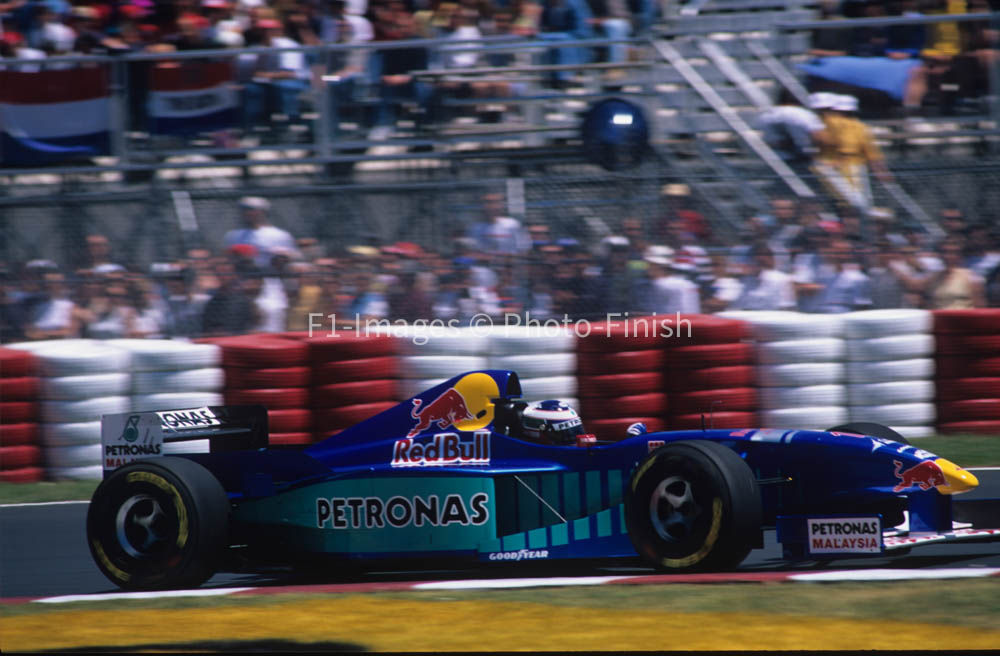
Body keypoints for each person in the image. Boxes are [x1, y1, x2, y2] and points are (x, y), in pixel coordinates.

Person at [812, 94, 892, 215]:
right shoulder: (858, 126)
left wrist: (880, 169)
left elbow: (871, 151)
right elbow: (871, 152)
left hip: (843, 164)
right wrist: (881, 170)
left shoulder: (830, 123)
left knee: (852, 200)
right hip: (845, 164)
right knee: (852, 199)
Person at [223, 196, 297, 269]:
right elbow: (229, 260)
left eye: (251, 209)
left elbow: (290, 260)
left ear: (263, 211)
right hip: (244, 277)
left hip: (273, 277)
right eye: (244, 209)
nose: (247, 213)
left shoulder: (280, 235)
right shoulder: (233, 235)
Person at [732, 244, 796, 311]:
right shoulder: (746, 281)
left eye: (765, 255)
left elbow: (787, 308)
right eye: (756, 256)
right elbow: (738, 307)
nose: (759, 258)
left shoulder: (783, 279)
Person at [927, 238, 986, 308]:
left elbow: (979, 306)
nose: (947, 256)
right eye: (944, 252)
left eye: (952, 253)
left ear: (959, 255)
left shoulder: (971, 277)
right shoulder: (933, 279)